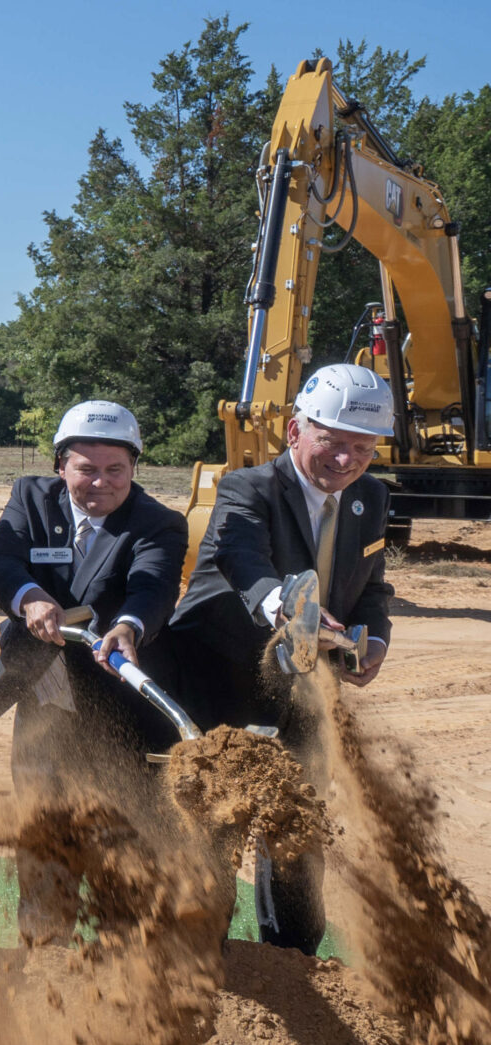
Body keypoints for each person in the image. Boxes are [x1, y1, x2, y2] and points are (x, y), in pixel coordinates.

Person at [157, 363, 396, 955]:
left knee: (296, 828)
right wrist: (286, 610)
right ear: (295, 433)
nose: (346, 460)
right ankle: (197, 959)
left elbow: (371, 587)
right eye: (331, 442)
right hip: (221, 680)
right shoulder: (247, 489)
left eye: (361, 447)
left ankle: (292, 962)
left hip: (309, 692)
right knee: (212, 826)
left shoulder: (371, 497)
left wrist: (377, 639)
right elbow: (244, 561)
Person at [0, 400, 188, 943]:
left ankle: (127, 963)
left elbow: (153, 586)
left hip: (121, 709)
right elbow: (0, 563)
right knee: (45, 838)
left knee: (125, 845)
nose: (101, 482)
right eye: (86, 469)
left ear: (134, 468)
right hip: (44, 700)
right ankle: (45, 956)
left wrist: (129, 627)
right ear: (61, 466)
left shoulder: (158, 523)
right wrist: (28, 599)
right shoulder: (30, 498)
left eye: (115, 470)